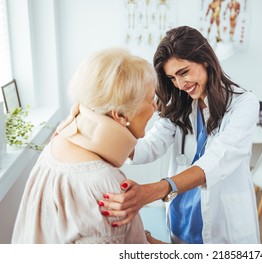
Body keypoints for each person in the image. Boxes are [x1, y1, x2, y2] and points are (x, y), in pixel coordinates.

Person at [100, 26, 260, 244]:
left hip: (223, 220)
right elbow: (149, 147)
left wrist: (155, 190)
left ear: (205, 60)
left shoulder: (243, 104)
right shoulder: (180, 104)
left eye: (184, 72)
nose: (180, 84)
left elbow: (218, 160)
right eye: (172, 78)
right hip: (182, 215)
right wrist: (101, 134)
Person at [12, 48, 162, 244]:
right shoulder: (104, 183)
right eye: (151, 99)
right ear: (120, 115)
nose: (156, 106)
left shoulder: (57, 144)